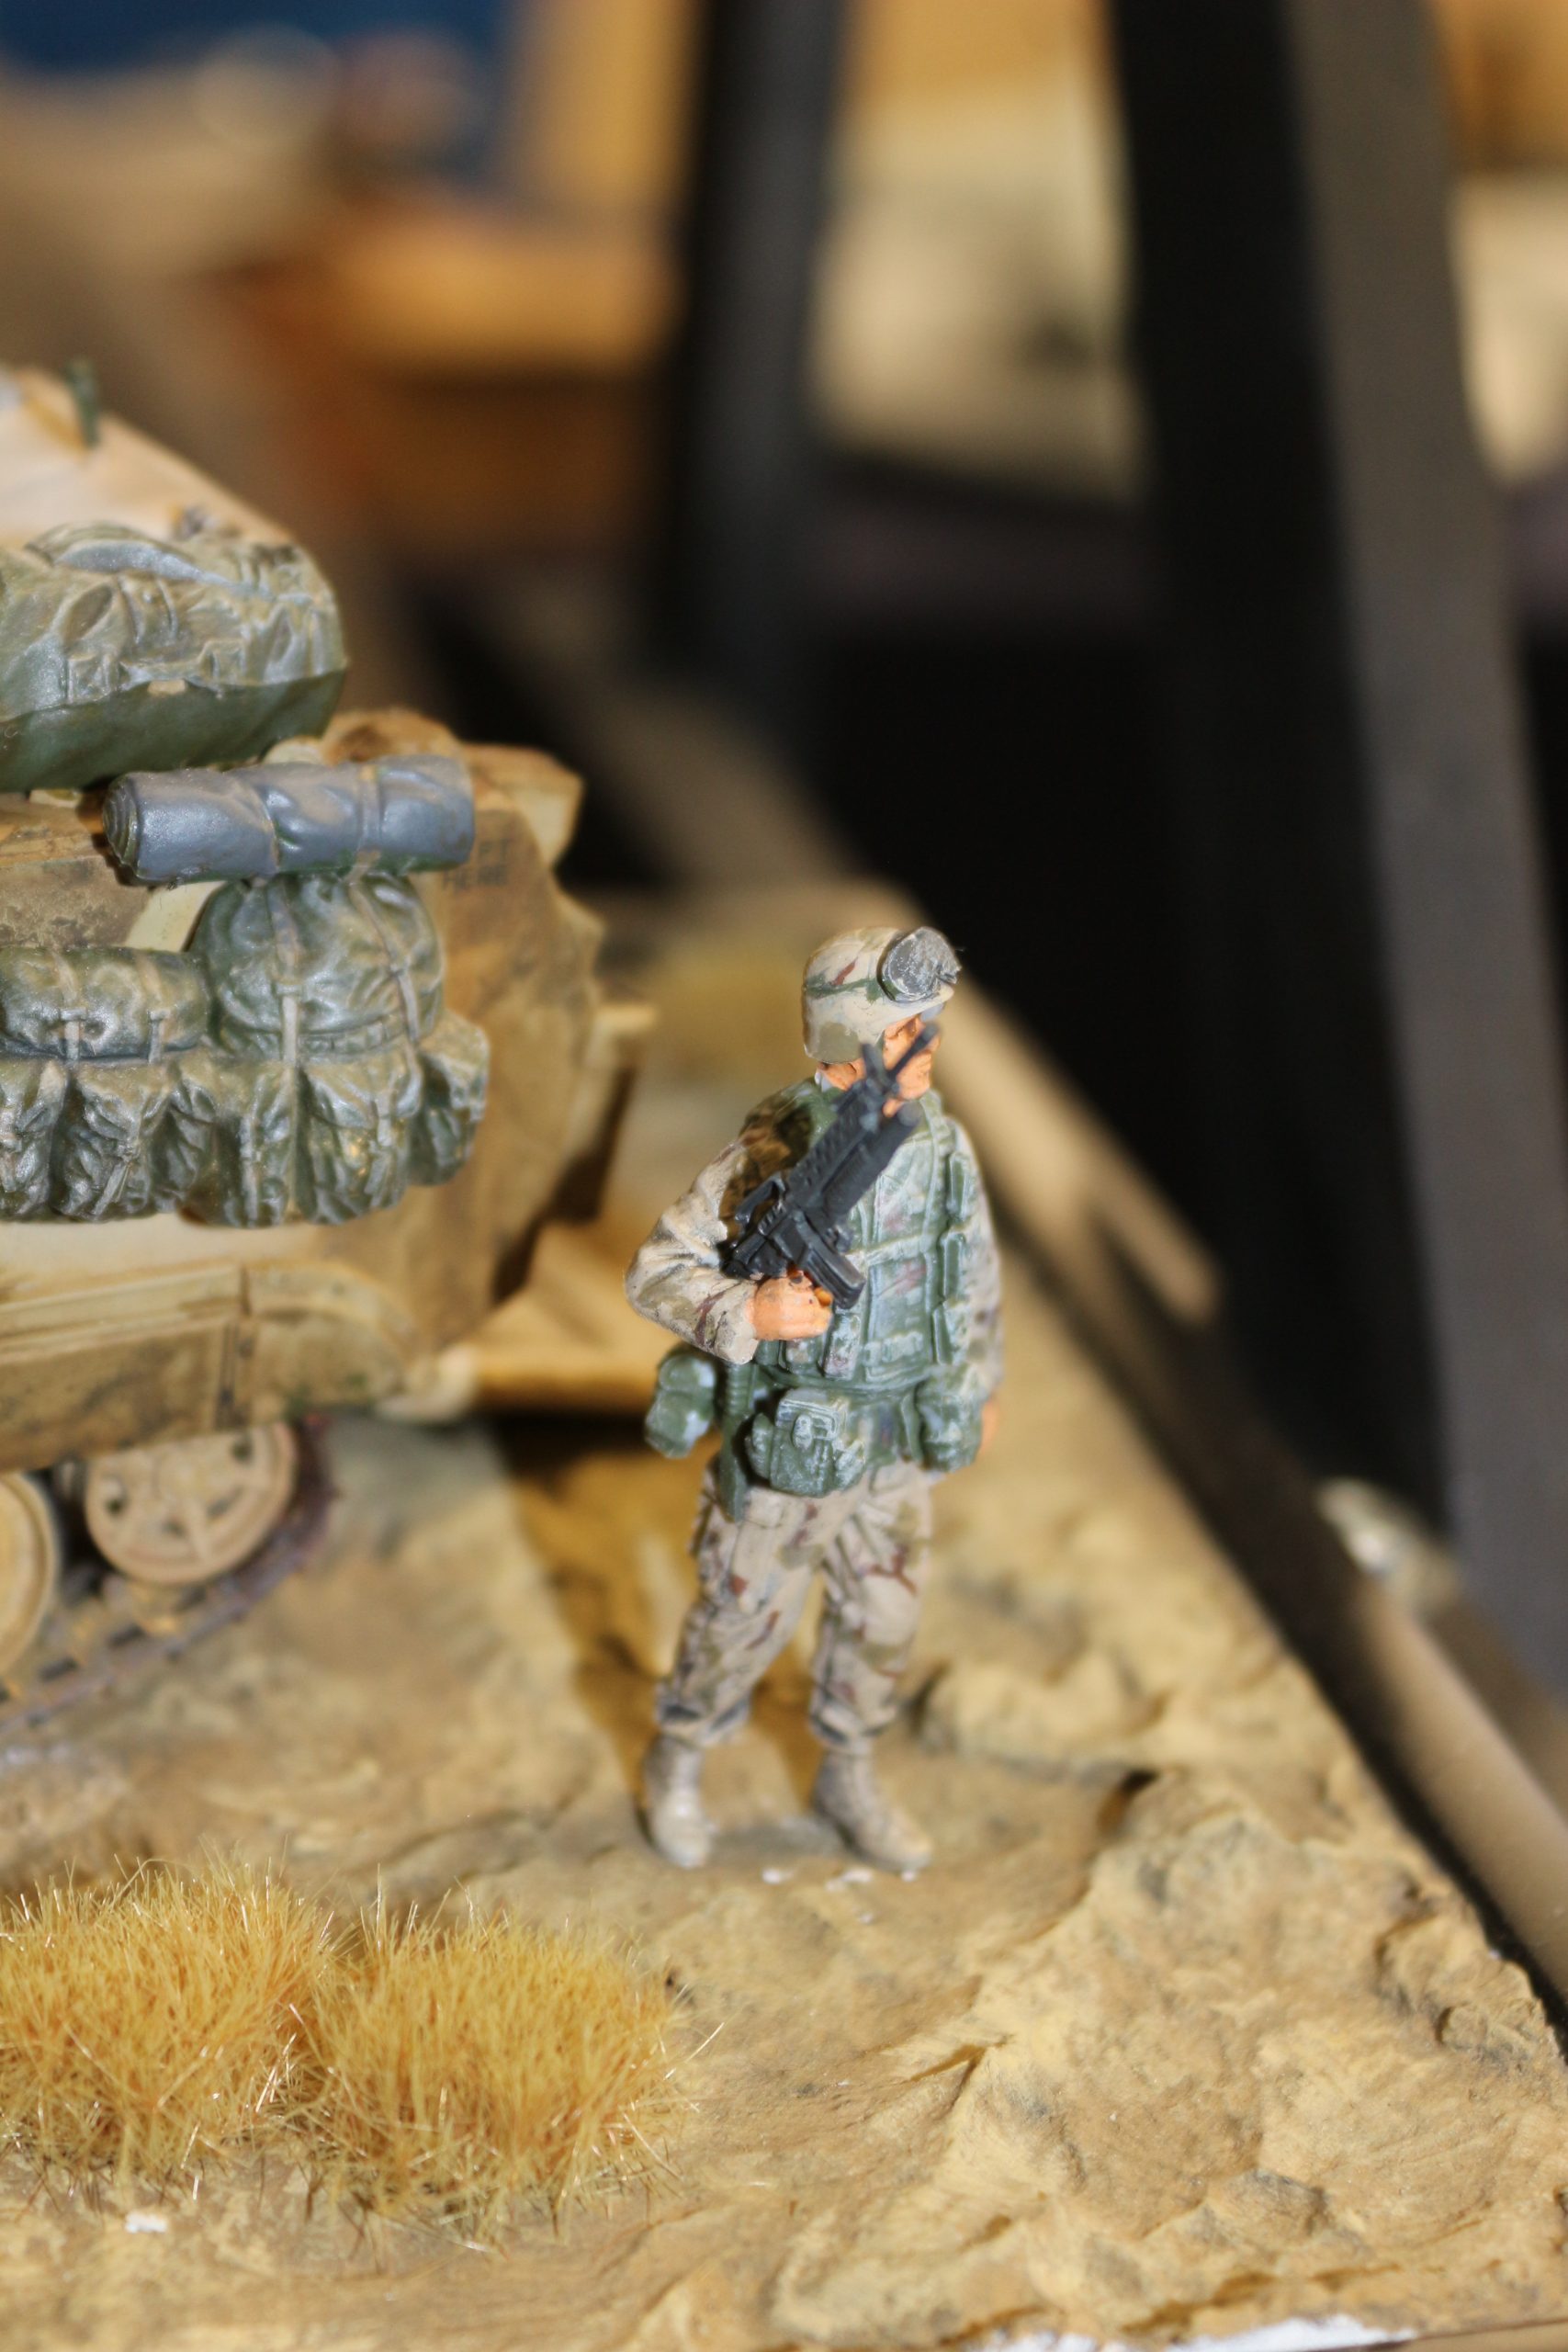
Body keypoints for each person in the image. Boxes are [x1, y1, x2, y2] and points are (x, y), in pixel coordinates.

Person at [625, 924, 1002, 1873]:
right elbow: (656, 1271)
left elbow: (972, 1275)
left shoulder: (943, 1147)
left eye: (929, 1026)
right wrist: (746, 1310)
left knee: (883, 1622)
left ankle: (849, 1773)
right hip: (791, 1440)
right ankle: (678, 1760)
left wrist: (981, 1380)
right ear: (852, 1043)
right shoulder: (771, 1150)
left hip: (894, 1436)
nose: (928, 1045)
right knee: (740, 1620)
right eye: (908, 1031)